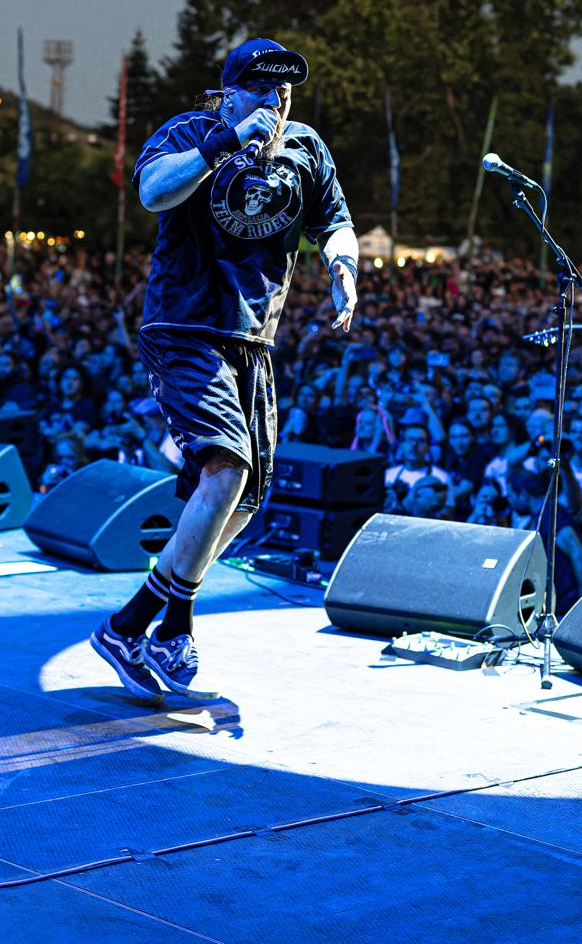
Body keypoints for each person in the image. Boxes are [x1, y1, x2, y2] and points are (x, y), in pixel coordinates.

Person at [91, 38, 358, 698]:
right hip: (184, 324)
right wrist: (224, 144)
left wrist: (343, 265)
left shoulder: (305, 149)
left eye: (284, 94)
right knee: (226, 467)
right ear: (231, 92)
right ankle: (176, 624)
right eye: (261, 92)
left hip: (253, 339)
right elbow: (152, 192)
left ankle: (131, 624)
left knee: (244, 500)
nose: (274, 104)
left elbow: (337, 221)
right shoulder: (190, 134)